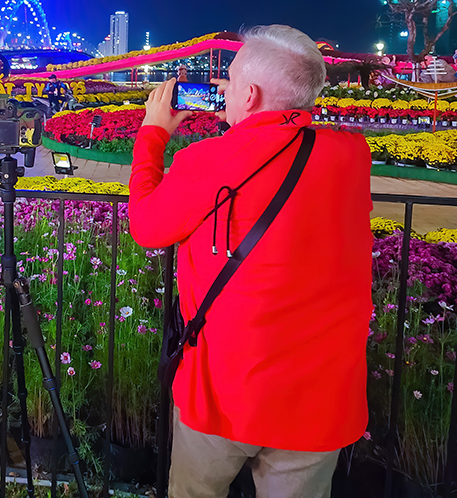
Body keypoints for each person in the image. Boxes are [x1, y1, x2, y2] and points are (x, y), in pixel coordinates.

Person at [129, 25, 372, 498]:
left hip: (226, 388)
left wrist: (153, 133)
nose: (223, 90)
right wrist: (248, 113)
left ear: (251, 94)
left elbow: (146, 226)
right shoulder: (351, 154)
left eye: (233, 81)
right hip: (320, 396)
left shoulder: (208, 160)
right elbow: (278, 149)